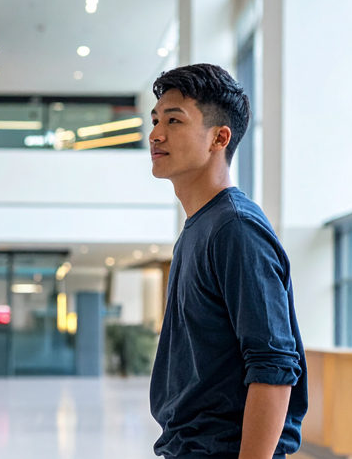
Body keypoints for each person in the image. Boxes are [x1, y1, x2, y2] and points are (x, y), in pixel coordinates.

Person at [147, 63, 308, 459]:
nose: (155, 134)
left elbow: (273, 366)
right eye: (154, 120)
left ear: (219, 137)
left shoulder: (235, 228)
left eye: (174, 120)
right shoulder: (198, 229)